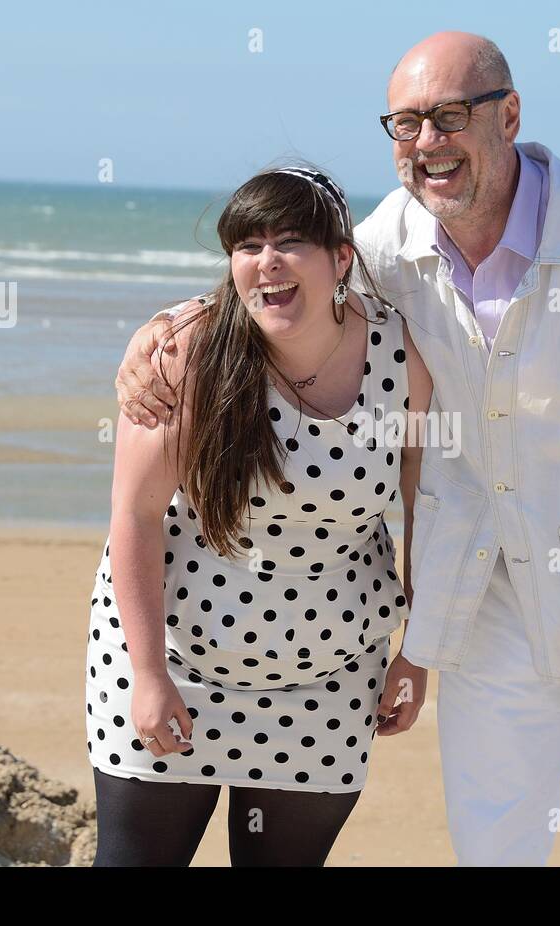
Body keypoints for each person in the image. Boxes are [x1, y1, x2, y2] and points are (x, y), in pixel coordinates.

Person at [115, 32, 560, 866]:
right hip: (485, 604)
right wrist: (159, 334)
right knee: (494, 847)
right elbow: (280, 287)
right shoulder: (385, 247)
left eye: (447, 117)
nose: (426, 144)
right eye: (404, 125)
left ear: (508, 116)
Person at [87, 164, 432, 866]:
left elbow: (428, 509)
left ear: (341, 259)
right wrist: (148, 673)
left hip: (332, 679)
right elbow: (135, 514)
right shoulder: (187, 352)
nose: (266, 262)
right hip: (178, 665)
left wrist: (417, 650)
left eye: (289, 241)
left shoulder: (401, 357)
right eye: (247, 245)